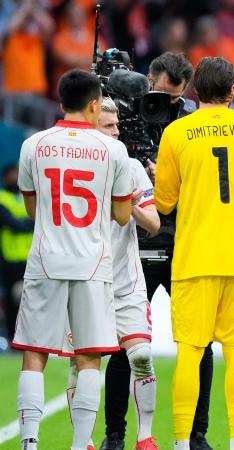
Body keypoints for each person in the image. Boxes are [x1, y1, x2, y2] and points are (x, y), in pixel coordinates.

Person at [13, 69, 133, 450]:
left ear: (60, 100)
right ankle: (81, 443)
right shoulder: (114, 150)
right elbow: (123, 215)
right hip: (93, 263)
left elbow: (33, 208)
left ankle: (29, 442)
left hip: (46, 259)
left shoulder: (33, 144)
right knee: (89, 357)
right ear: (96, 104)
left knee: (34, 354)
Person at [102, 52, 213, 450]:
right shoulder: (118, 118)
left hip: (181, 240)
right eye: (160, 94)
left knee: (197, 343)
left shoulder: (191, 124)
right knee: (124, 345)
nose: (165, 104)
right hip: (135, 243)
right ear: (147, 79)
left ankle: (197, 434)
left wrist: (167, 180)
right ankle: (115, 434)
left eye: (175, 98)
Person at [154, 56, 234, 450]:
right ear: (233, 90)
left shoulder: (177, 132)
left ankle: (182, 443)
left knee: (189, 350)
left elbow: (164, 203)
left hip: (194, 257)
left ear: (195, 91)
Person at [64, 97, 161, 450]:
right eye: (109, 126)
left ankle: (145, 436)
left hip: (125, 281)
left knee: (141, 355)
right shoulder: (74, 166)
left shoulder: (132, 168)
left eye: (118, 125)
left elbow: (153, 223)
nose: (117, 132)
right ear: (91, 126)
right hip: (86, 281)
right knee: (81, 365)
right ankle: (84, 441)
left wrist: (128, 202)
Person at [0, 164, 34, 342]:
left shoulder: (25, 198)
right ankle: (13, 339)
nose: (16, 177)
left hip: (31, 258)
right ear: (5, 177)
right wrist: (27, 223)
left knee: (32, 302)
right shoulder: (2, 198)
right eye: (13, 174)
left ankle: (31, 338)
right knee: (13, 301)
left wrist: (25, 224)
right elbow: (15, 225)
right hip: (10, 259)